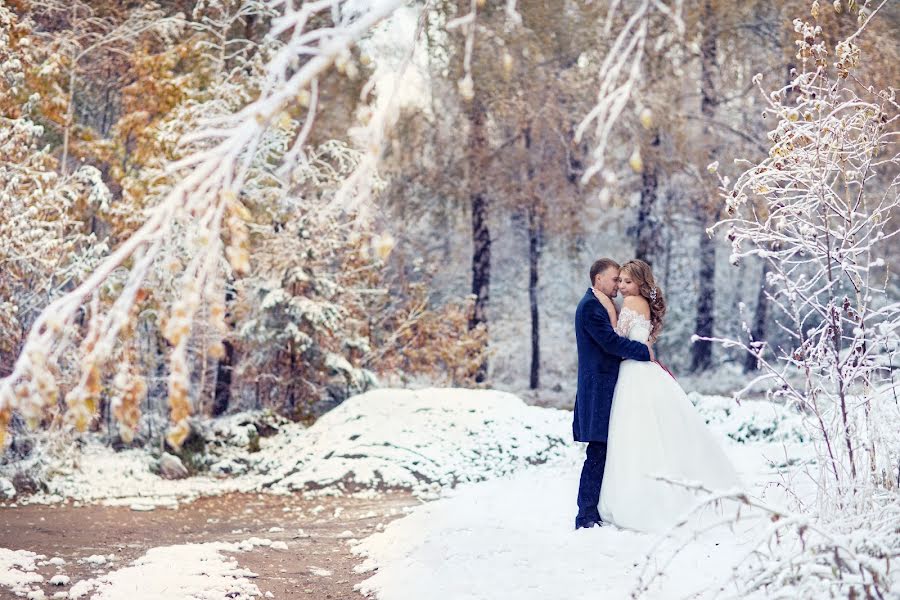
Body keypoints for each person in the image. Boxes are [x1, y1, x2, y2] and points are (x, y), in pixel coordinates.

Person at [597, 259, 741, 532]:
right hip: (645, 370)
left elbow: (617, 338)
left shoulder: (630, 304)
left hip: (633, 373)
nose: (623, 287)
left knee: (635, 435)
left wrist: (607, 308)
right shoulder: (646, 305)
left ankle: (639, 500)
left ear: (641, 283)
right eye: (621, 282)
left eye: (628, 282)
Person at [573, 258, 654, 530]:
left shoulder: (601, 305)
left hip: (607, 387)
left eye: (622, 280)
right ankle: (585, 515)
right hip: (597, 389)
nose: (618, 285)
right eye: (614, 280)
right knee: (597, 450)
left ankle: (595, 510)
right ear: (599, 279)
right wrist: (643, 352)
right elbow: (608, 343)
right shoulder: (591, 308)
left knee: (606, 450)